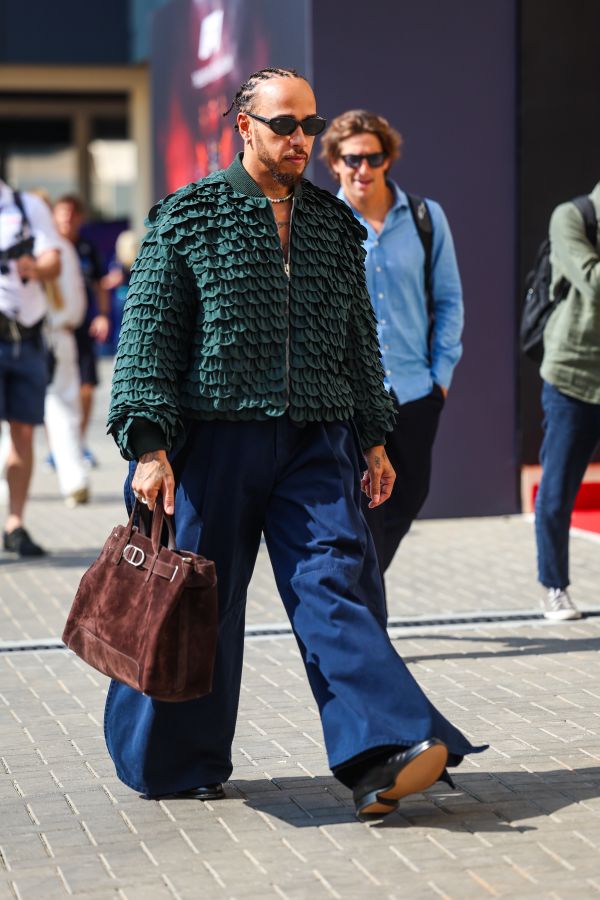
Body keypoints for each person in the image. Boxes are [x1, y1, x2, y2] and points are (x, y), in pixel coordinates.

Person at [106, 67, 485, 818]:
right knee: (198, 608)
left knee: (337, 584)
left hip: (316, 438)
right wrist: (149, 446)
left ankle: (384, 752)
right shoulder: (189, 218)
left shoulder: (332, 225)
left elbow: (356, 342)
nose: (300, 140)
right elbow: (146, 337)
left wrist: (373, 435)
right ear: (242, 124)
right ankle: (174, 759)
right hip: (210, 442)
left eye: (309, 125)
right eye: (284, 125)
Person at [321, 111, 464, 593]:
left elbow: (448, 301)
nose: (363, 168)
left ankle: (362, 599)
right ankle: (365, 617)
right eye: (352, 158)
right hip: (350, 399)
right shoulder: (321, 224)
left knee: (408, 498)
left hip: (415, 389)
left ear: (388, 158)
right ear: (335, 163)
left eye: (373, 157)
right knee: (361, 511)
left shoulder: (426, 218)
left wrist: (440, 374)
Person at [535, 182, 600, 620]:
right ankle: (554, 585)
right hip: (574, 375)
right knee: (557, 491)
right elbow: (593, 282)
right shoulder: (572, 217)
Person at [0, 180, 61, 556]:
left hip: (27, 337)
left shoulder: (25, 206)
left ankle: (15, 523)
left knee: (23, 432)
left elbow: (54, 260)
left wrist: (33, 266)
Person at [30, 191, 89, 508]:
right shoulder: (59, 247)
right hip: (50, 334)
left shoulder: (58, 248)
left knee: (58, 410)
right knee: (62, 410)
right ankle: (73, 478)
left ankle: (73, 478)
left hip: (50, 335)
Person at [53, 195, 110, 466]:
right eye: (62, 213)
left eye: (72, 214)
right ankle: (58, 446)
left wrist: (102, 316)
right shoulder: (48, 248)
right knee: (55, 391)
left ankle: (79, 440)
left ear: (80, 218)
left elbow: (100, 285)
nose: (67, 218)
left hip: (83, 328)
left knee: (86, 389)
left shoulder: (87, 248)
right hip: (55, 330)